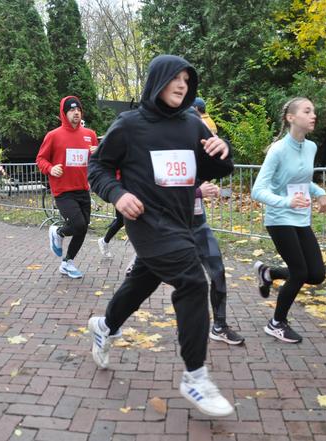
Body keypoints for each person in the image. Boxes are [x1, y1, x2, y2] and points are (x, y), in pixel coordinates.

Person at [88, 54, 235, 417]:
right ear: (157, 81)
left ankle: (105, 326)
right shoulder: (129, 125)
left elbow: (217, 168)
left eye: (187, 79)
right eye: (175, 78)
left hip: (182, 223)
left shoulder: (193, 125)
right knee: (192, 282)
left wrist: (223, 151)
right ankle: (195, 376)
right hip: (147, 224)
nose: (182, 85)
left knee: (143, 281)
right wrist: (118, 195)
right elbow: (97, 167)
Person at [251, 97, 326, 344]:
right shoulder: (277, 150)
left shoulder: (311, 147)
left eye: (313, 111)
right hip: (279, 218)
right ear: (291, 118)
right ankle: (277, 323)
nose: (313, 115)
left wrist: (320, 193)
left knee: (316, 274)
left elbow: (303, 180)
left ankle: (269, 272)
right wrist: (286, 202)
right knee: (298, 272)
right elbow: (257, 190)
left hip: (301, 218)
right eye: (307, 111)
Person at [36, 96, 99, 279]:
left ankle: (67, 263)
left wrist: (98, 153)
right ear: (64, 114)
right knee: (78, 224)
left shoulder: (90, 135)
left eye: (78, 109)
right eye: (71, 110)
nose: (76, 112)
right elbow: (40, 159)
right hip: (63, 190)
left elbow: (96, 163)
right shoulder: (53, 136)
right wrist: (50, 168)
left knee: (83, 227)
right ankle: (58, 231)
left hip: (82, 188)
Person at [194, 181, 244, 345]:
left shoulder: (196, 159)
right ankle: (112, 323)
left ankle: (219, 326)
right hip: (175, 228)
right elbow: (160, 193)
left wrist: (216, 190)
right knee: (187, 281)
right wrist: (197, 192)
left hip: (200, 227)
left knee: (218, 273)